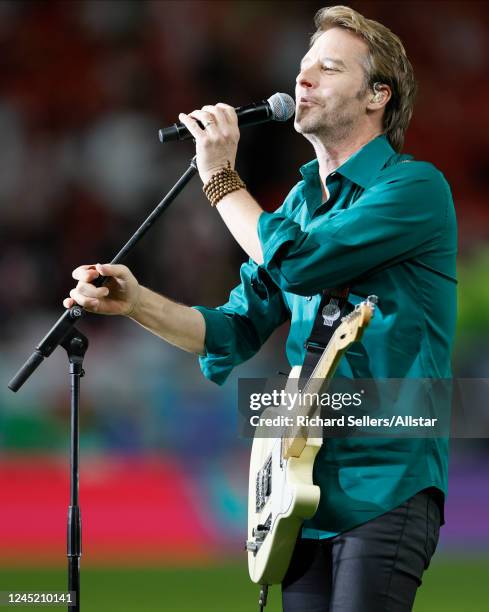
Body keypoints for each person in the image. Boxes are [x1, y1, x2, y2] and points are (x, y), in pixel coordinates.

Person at [64, 6, 457, 611]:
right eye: (303, 67)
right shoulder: (300, 203)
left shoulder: (413, 188)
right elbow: (231, 330)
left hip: (387, 481)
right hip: (299, 489)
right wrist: (136, 302)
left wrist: (220, 177)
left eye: (328, 68)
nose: (303, 80)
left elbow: (298, 264)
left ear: (379, 95)